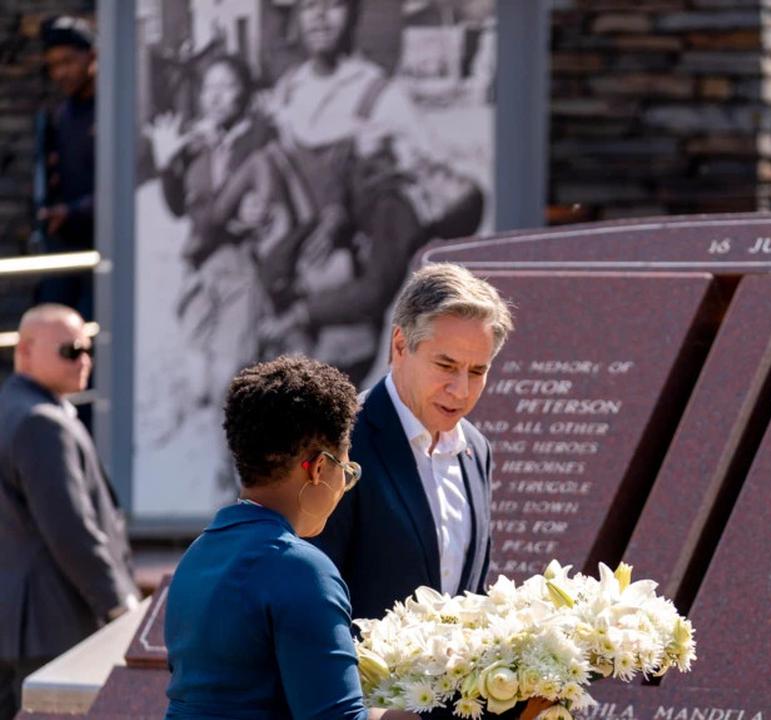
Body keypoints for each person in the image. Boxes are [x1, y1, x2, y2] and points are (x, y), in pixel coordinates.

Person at [165, 356, 417, 719]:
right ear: (318, 468)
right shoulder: (301, 568)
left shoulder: (198, 553)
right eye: (347, 472)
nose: (343, 487)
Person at [249, 0, 484, 380]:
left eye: (334, 5)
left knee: (323, 406)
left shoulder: (382, 94)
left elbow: (431, 171)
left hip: (341, 298)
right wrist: (253, 207)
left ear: (353, 14)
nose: (320, 15)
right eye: (309, 5)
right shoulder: (288, 90)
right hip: (283, 272)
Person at [311, 263, 512, 622]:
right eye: (446, 366)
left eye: (477, 371)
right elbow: (310, 594)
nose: (461, 390)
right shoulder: (341, 439)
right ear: (401, 346)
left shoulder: (476, 449)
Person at [0, 304, 138, 720]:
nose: (83, 359)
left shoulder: (15, 409)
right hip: (53, 625)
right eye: (70, 350)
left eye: (87, 348)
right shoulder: (42, 421)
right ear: (24, 351)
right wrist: (119, 606)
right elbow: (71, 529)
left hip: (21, 627)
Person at [147, 53, 275, 410]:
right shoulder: (195, 144)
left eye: (227, 86)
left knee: (228, 378)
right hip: (200, 266)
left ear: (245, 93)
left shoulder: (262, 138)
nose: (216, 96)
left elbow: (270, 201)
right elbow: (176, 208)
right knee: (199, 384)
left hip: (243, 265)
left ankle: (229, 462)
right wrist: (167, 165)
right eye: (209, 88)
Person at [34, 16, 98, 321]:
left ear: (92, 56)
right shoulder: (60, 115)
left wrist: (75, 211)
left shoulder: (110, 110)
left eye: (68, 61)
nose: (61, 73)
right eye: (53, 65)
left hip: (104, 252)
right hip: (66, 249)